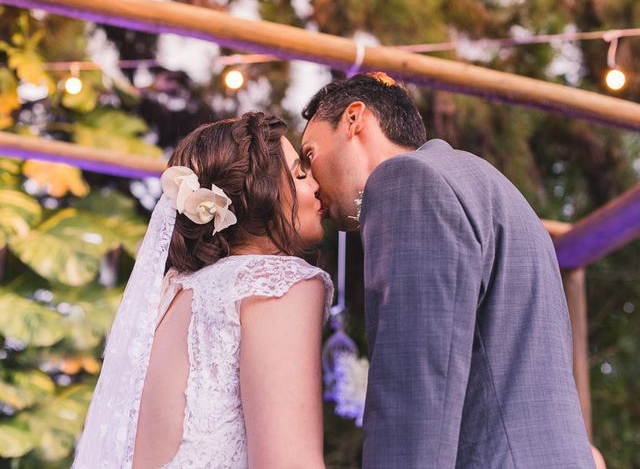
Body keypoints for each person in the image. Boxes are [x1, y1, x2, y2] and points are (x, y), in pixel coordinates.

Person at [301, 72, 596, 468]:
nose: (312, 183)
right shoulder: (487, 183)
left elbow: (415, 392)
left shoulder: (405, 181)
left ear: (355, 119)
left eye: (309, 155)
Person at [72, 112, 333, 469]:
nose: (316, 184)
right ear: (261, 192)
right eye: (300, 175)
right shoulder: (276, 283)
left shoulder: (173, 294)